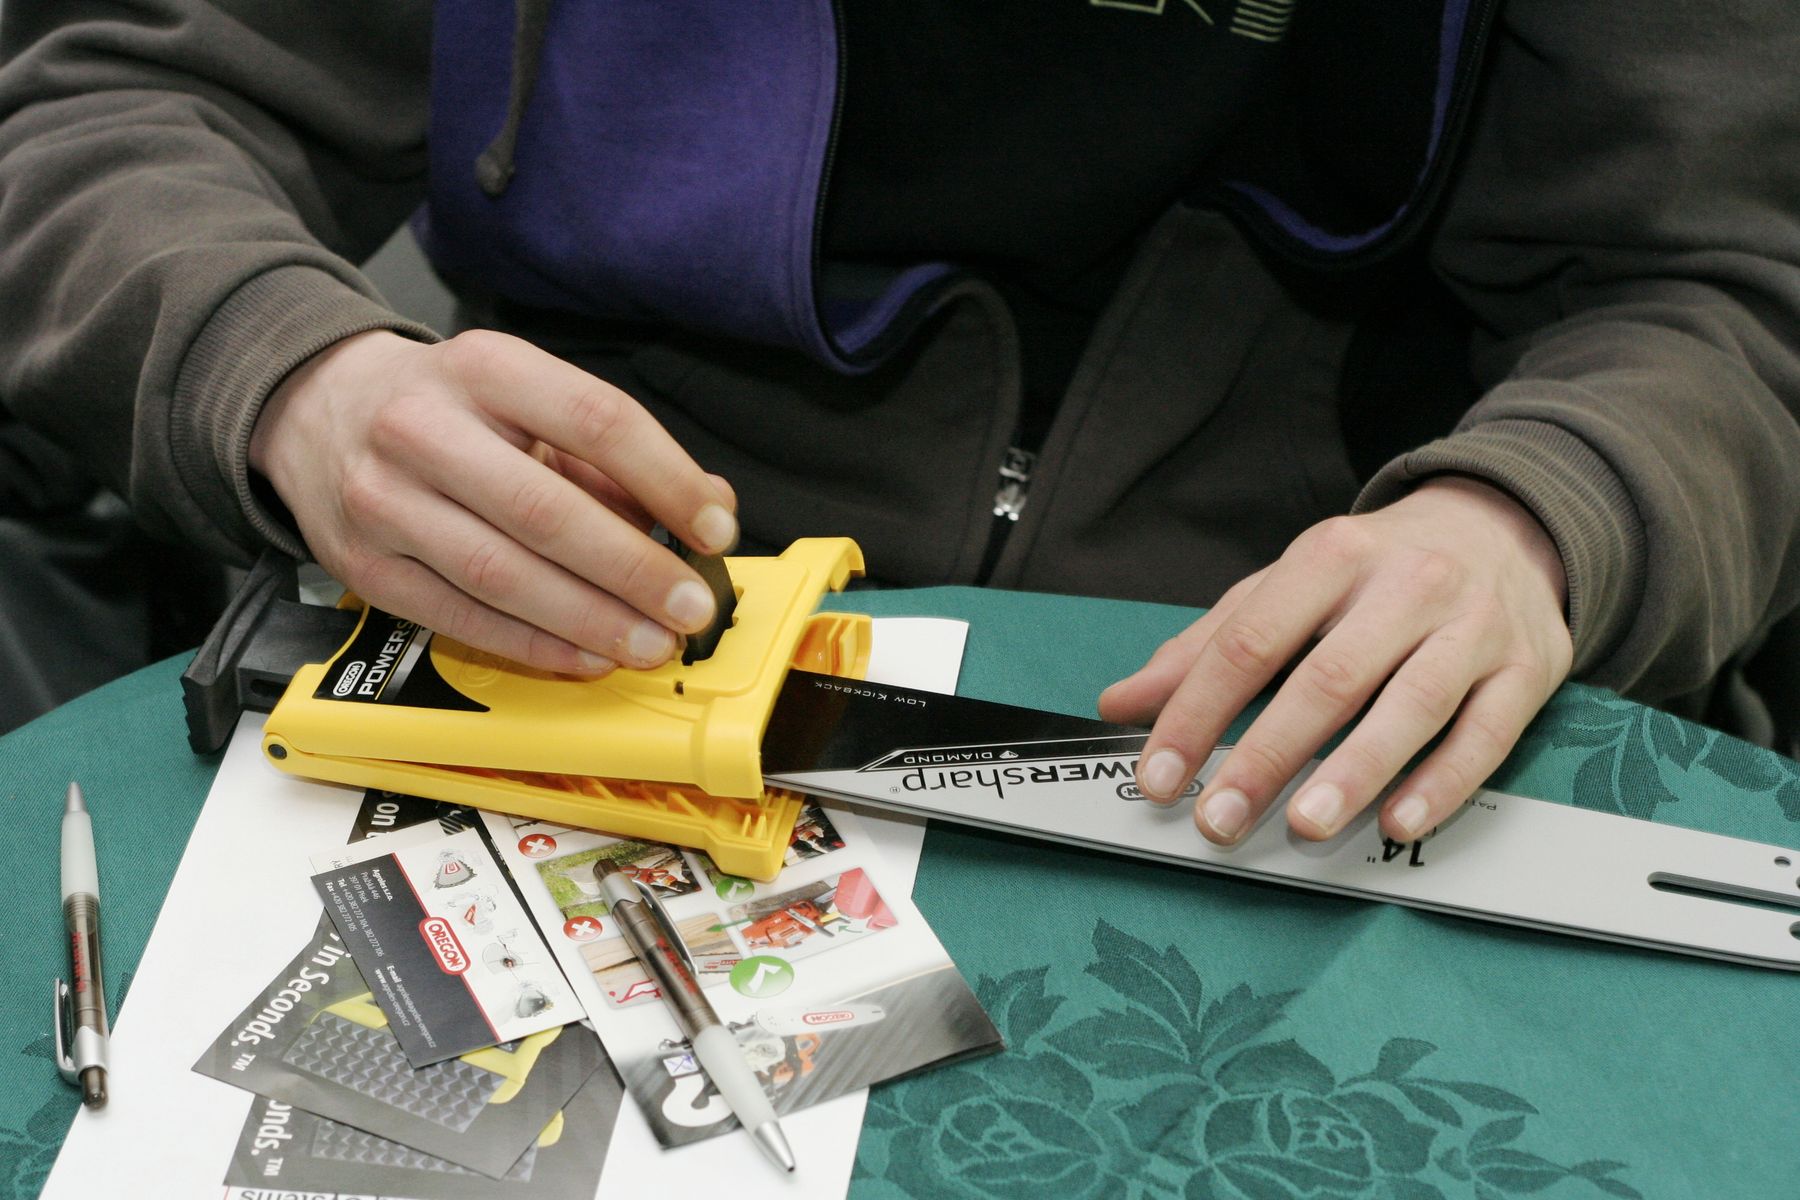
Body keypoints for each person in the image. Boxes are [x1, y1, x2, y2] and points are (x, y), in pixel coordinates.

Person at [1, 1, 1796, 849]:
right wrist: (296, 374)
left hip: (1299, 706)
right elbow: (102, 104)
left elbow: (1732, 283)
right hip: (579, 636)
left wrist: (1538, 517)